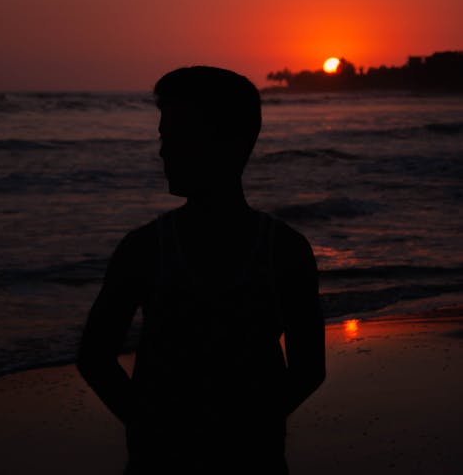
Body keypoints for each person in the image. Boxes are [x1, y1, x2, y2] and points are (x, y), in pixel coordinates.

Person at [77, 66, 325, 474]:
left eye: (177, 136)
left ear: (231, 141)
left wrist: (160, 427)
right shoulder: (283, 247)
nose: (164, 150)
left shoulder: (280, 250)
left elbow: (310, 368)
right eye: (164, 137)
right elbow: (94, 356)